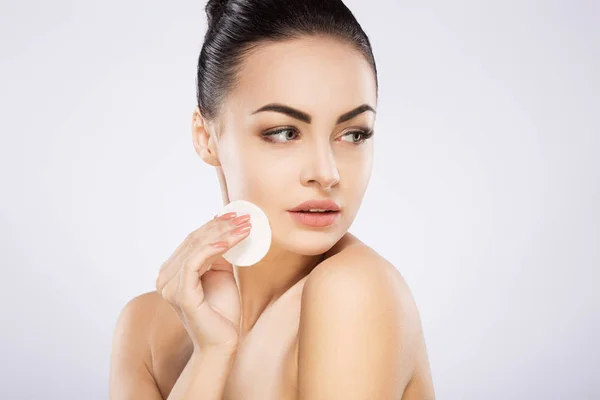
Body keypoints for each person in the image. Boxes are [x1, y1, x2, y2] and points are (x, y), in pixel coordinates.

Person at [109, 0, 435, 398]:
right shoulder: (143, 327)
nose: (327, 172)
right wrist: (212, 352)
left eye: (353, 133)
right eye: (284, 132)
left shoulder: (354, 290)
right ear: (206, 137)